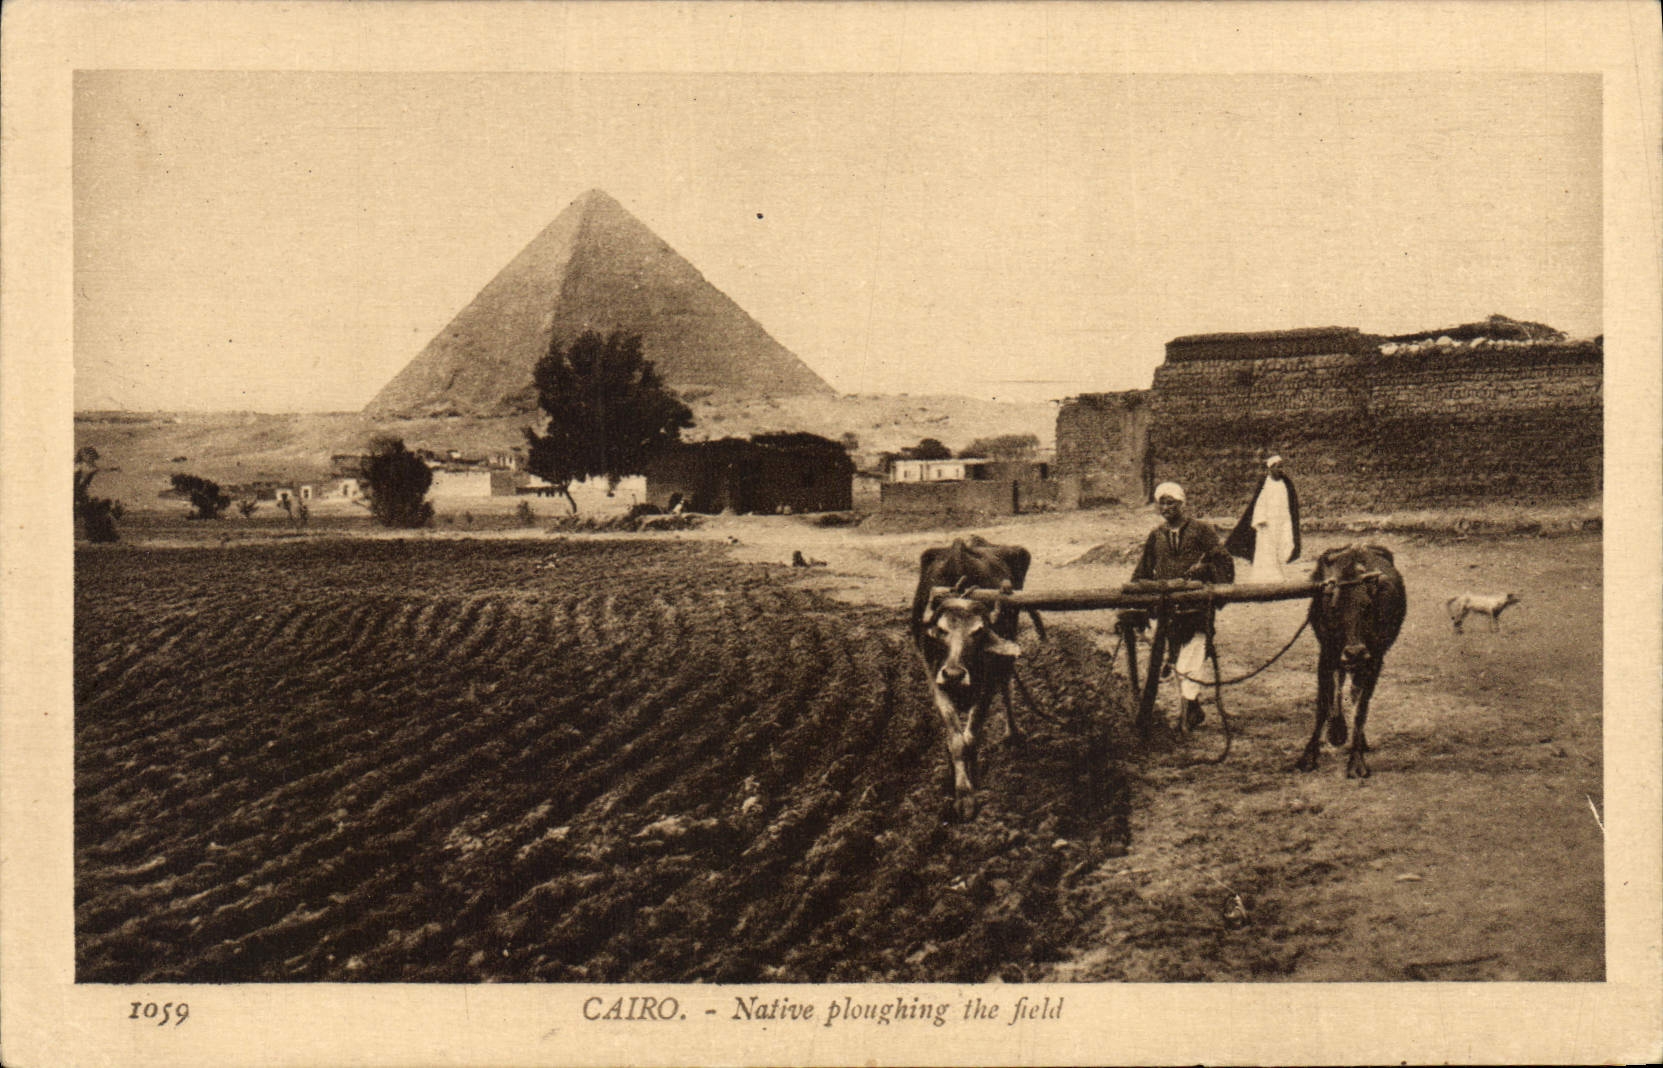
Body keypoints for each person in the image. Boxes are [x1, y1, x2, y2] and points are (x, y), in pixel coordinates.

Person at [1129, 481, 1235, 728]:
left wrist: (1205, 569)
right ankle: (1192, 706)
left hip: (1196, 607)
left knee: (1193, 655)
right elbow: (1143, 569)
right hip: (1167, 608)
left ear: (1182, 504)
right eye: (1162, 503)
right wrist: (1134, 597)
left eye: (1171, 503)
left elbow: (1224, 562)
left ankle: (1188, 709)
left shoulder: (1201, 531)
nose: (1166, 508)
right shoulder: (1156, 536)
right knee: (1175, 657)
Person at [1227, 454, 1301, 583]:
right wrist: (1261, 520)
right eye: (1278, 467)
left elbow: (1289, 504)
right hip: (1267, 524)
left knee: (1282, 546)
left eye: (1282, 467)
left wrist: (1287, 521)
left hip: (1281, 522)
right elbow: (1259, 503)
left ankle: (1278, 574)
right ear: (1270, 468)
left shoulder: (1286, 484)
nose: (1281, 470)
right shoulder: (1265, 483)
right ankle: (1264, 576)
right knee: (1266, 550)